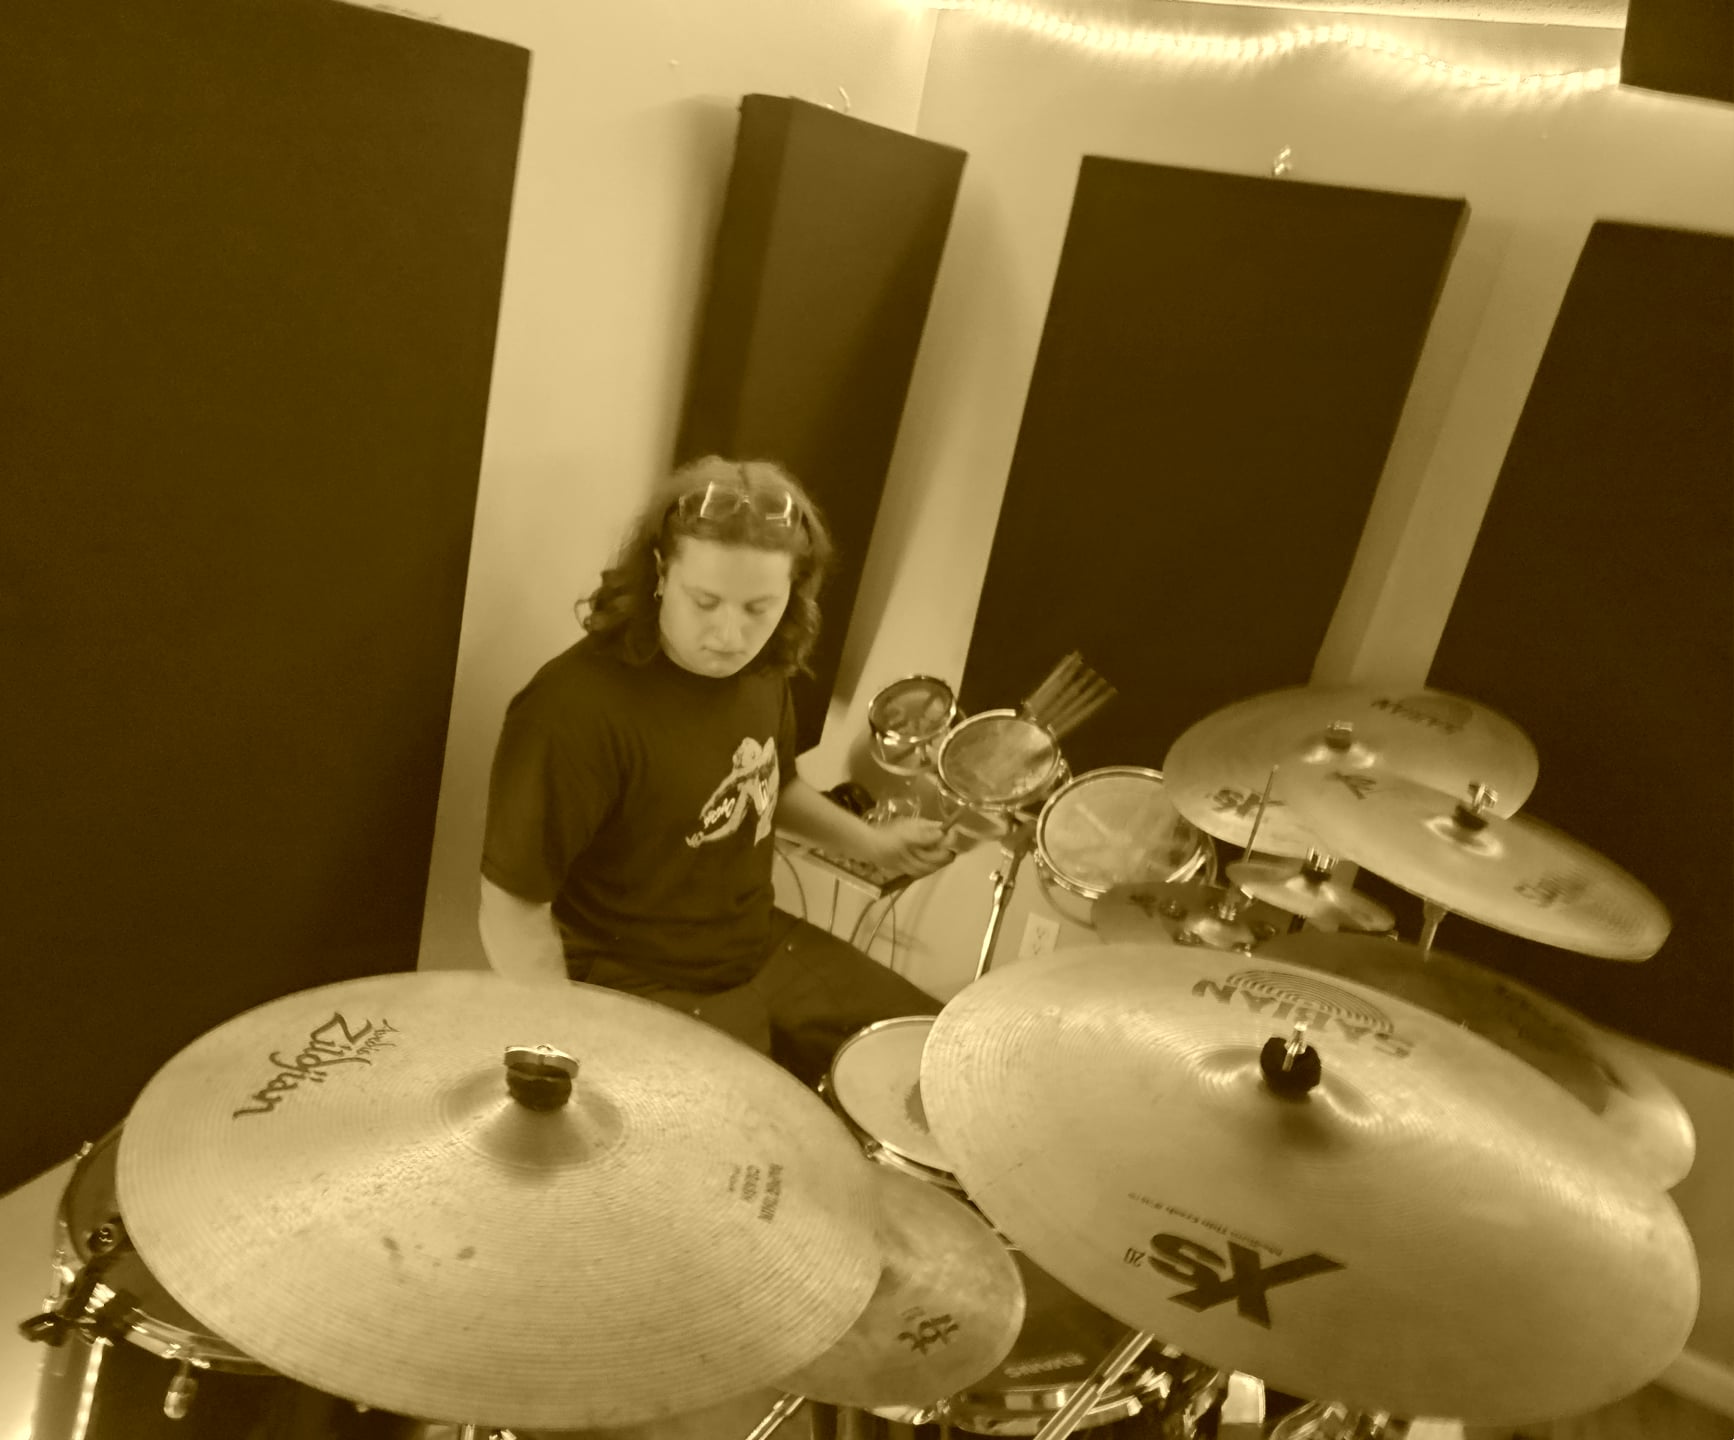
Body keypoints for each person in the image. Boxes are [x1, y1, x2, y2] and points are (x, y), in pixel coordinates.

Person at [478, 454, 953, 1085]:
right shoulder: (572, 710)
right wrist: (561, 1043)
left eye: (759, 607)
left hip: (757, 945)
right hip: (637, 978)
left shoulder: (763, 669)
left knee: (949, 1060)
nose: (729, 635)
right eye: (704, 601)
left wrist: (875, 846)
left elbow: (773, 787)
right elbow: (511, 908)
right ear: (659, 571)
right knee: (749, 1137)